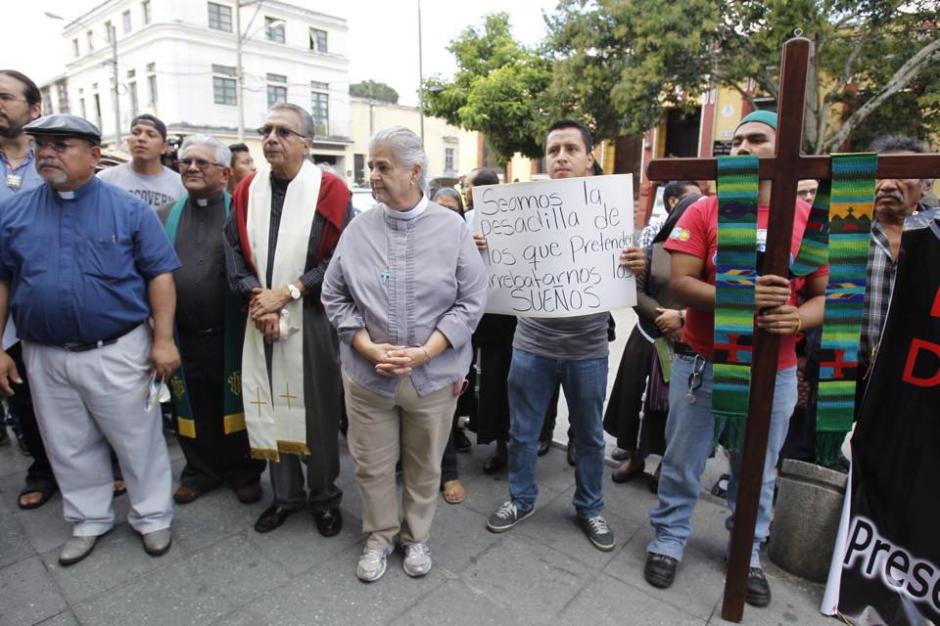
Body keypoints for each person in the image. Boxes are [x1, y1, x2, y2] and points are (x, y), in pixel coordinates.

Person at [645, 110, 828, 608]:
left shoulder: (809, 220)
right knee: (682, 462)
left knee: (759, 471)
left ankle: (746, 551)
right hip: (703, 363)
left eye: (756, 139)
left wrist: (796, 319)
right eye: (737, 140)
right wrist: (743, 297)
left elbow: (826, 295)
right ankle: (669, 538)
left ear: (785, 149)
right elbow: (681, 283)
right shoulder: (706, 209)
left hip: (775, 371)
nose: (743, 148)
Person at [0, 114, 181, 565]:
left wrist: (163, 340)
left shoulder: (129, 209)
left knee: (137, 438)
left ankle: (152, 516)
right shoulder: (14, 211)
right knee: (66, 441)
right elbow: (3, 280)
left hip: (116, 349)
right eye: (41, 145)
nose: (47, 153)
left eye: (61, 145)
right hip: (43, 352)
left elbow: (159, 274)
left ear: (94, 155)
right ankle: (89, 518)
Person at [322, 126, 487, 582]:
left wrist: (425, 352)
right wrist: (365, 344)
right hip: (368, 378)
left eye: (383, 166)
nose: (372, 175)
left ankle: (417, 536)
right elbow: (334, 296)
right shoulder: (358, 230)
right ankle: (378, 538)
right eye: (371, 166)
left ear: (415, 171)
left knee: (424, 466)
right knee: (372, 466)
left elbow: (471, 301)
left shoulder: (451, 229)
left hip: (432, 379)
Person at [484, 119, 645, 553]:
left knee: (589, 436)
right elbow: (495, 269)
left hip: (587, 349)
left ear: (590, 157)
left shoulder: (610, 211)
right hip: (531, 345)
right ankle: (521, 499)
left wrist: (638, 265)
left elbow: (631, 279)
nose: (561, 157)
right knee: (522, 432)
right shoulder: (519, 209)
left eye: (571, 149)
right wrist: (485, 249)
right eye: (553, 149)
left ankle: (590, 507)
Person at [223, 103, 352, 536]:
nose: (271, 139)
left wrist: (290, 292)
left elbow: (339, 258)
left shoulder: (331, 190)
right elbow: (232, 250)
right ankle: (285, 495)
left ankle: (324, 496)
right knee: (270, 403)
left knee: (316, 410)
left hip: (311, 314)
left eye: (283, 131)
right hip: (258, 313)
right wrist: (257, 298)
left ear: (307, 143)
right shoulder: (247, 190)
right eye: (266, 130)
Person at [157, 134, 265, 505]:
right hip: (184, 334)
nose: (191, 168)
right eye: (186, 162)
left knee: (239, 405)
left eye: (201, 163)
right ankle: (200, 471)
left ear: (224, 174)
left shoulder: (245, 214)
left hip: (233, 334)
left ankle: (243, 472)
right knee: (193, 405)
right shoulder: (164, 216)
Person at [605, 181, 702, 487]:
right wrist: (665, 319)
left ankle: (664, 465)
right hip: (647, 341)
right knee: (635, 401)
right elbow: (635, 292)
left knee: (673, 410)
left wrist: (683, 321)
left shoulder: (709, 258)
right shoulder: (654, 251)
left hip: (686, 346)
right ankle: (635, 458)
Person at [0, 69, 62, 510]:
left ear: (34, 108)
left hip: (52, 297)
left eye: (5, 97)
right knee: (22, 392)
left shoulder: (55, 160)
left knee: (72, 388)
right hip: (7, 303)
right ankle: (43, 468)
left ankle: (105, 463)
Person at [857, 135, 928, 409]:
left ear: (926, 185)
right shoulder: (845, 233)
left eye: (901, 175)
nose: (887, 185)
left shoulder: (934, 236)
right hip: (846, 376)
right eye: (881, 175)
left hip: (916, 380)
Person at [431, 186, 474, 505]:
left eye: (453, 210)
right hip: (409, 342)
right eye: (439, 208)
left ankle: (448, 473)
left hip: (449, 342)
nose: (446, 215)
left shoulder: (466, 246)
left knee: (444, 410)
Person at [98, 113, 186, 209]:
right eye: (136, 133)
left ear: (163, 147)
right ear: (128, 142)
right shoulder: (105, 180)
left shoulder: (180, 186)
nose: (141, 138)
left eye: (151, 135)